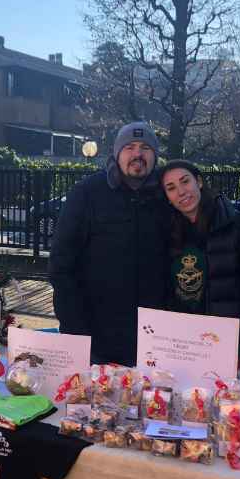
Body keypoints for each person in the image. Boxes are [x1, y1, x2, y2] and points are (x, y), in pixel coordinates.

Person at [49, 122, 171, 365]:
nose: (138, 154)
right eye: (130, 147)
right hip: (96, 338)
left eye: (146, 148)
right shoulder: (87, 193)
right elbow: (61, 266)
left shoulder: (166, 196)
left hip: (155, 341)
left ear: (155, 156)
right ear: (117, 153)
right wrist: (75, 330)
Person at [160, 159, 240, 363]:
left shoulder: (234, 223)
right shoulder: (167, 232)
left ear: (199, 182)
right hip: (185, 340)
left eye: (185, 181)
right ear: (167, 197)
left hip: (229, 339)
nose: (181, 192)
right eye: (171, 188)